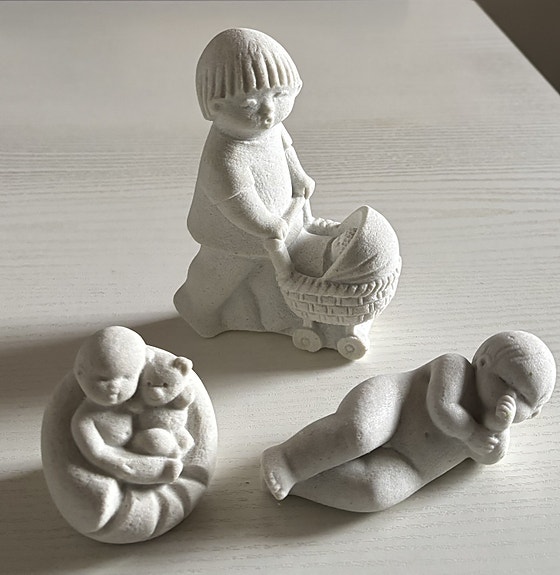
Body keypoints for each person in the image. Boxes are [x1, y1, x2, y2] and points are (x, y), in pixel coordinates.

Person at [261, 331, 556, 512]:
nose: (508, 397)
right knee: (359, 432)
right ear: (482, 363)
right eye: (504, 382)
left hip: (409, 463)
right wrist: (471, 434)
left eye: (524, 399)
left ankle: (302, 482)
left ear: (533, 414)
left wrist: (493, 432)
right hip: (394, 405)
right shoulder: (454, 365)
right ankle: (287, 459)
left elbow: (488, 457)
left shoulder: (494, 433)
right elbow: (442, 408)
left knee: (376, 493)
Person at [174, 28, 316, 338]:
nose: (269, 112)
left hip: (275, 229)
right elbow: (237, 199)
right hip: (232, 236)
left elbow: (286, 151)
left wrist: (298, 175)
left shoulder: (273, 128)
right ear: (216, 107)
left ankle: (275, 316)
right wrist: (263, 224)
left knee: (272, 273)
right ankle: (197, 307)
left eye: (279, 96)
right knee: (219, 276)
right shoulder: (224, 156)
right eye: (251, 104)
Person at [71, 326, 183, 484]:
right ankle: (160, 471)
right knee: (126, 468)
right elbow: (97, 453)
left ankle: (168, 461)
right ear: (80, 374)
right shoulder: (84, 420)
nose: (115, 386)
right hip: (114, 457)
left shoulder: (134, 400)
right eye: (104, 379)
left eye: (127, 377)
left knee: (156, 440)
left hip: (140, 445)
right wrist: (115, 463)